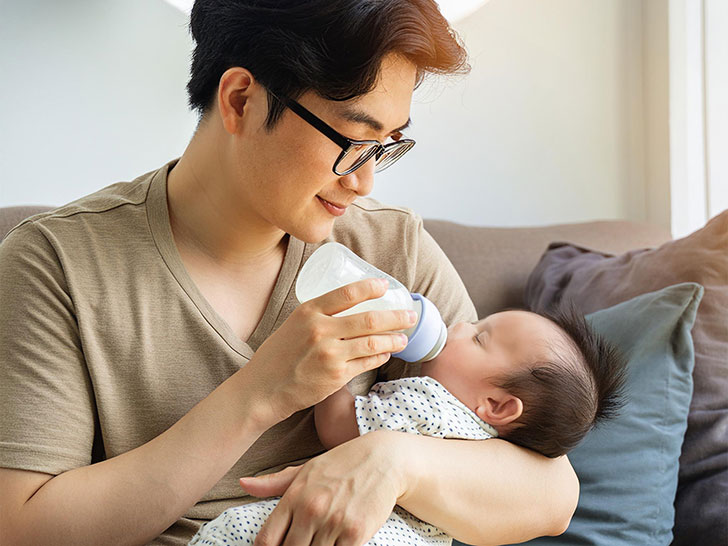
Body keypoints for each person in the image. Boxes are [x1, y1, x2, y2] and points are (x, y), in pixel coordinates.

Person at [0, 2, 580, 544]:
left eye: (386, 145)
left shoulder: (390, 243)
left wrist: (390, 460)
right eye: (354, 140)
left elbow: (552, 494)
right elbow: (20, 526)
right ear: (241, 101)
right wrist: (260, 394)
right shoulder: (57, 263)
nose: (365, 180)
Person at [188, 307, 626, 545]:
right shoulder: (486, 440)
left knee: (234, 533)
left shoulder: (430, 406)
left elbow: (340, 428)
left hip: (366, 532)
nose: (458, 323)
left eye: (477, 336)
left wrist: (337, 369)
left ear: (495, 405)